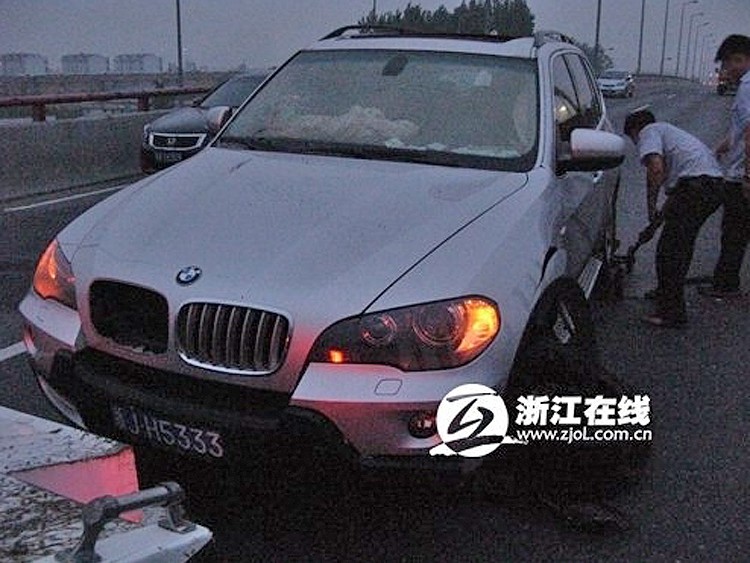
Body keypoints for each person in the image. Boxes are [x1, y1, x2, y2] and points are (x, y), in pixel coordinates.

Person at [624, 108, 725, 327]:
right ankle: (666, 293)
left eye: (633, 139)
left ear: (635, 130)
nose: (637, 145)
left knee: (669, 252)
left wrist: (650, 207)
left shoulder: (648, 131)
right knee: (680, 246)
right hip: (711, 189)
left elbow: (656, 170)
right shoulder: (671, 135)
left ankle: (672, 314)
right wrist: (655, 224)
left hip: (696, 190)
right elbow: (677, 195)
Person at [698, 34, 750, 299]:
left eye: (734, 61)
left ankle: (726, 285)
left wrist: (747, 177)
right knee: (737, 232)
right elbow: (739, 132)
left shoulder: (747, 87)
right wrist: (718, 150)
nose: (729, 67)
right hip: (738, 168)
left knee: (734, 233)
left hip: (741, 175)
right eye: (727, 63)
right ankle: (725, 281)